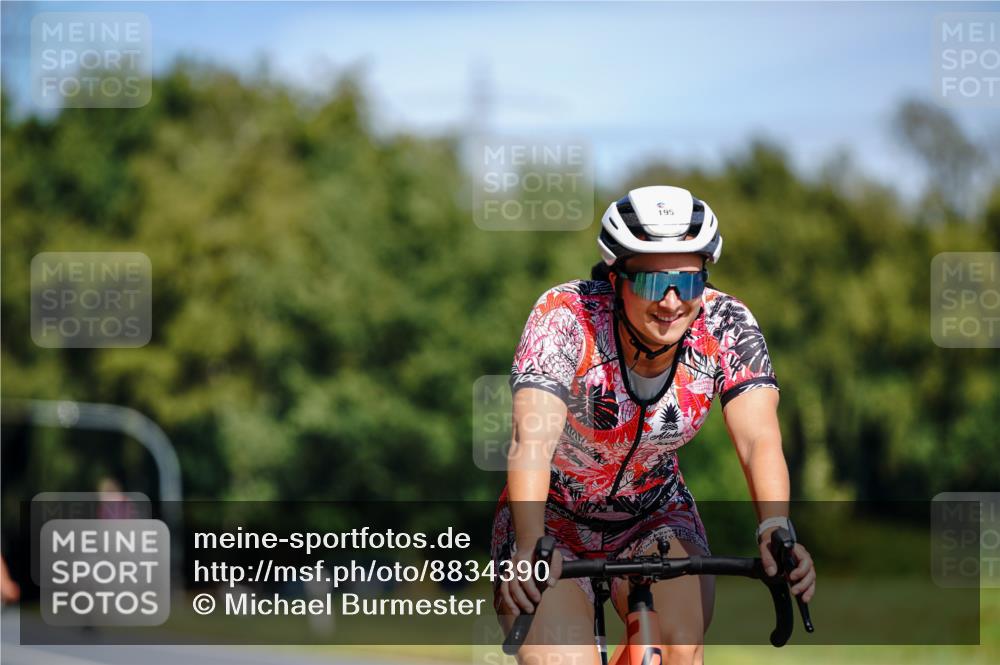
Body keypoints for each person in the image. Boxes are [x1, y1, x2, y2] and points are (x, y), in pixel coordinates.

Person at [491, 186, 816, 665]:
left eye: (687, 283)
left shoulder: (727, 325)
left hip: (655, 515)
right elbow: (531, 440)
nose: (670, 302)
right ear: (616, 277)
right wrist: (527, 543)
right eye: (649, 283)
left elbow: (758, 438)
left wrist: (775, 527)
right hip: (549, 520)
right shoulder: (567, 317)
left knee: (681, 648)